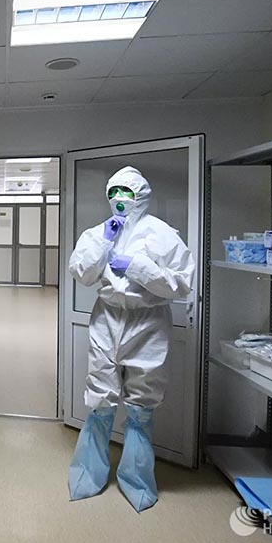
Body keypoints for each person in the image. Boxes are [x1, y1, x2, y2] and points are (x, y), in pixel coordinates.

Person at [67, 166, 195, 511]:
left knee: (142, 403)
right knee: (100, 396)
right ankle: (87, 475)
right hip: (106, 318)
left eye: (126, 192)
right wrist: (104, 243)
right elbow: (81, 273)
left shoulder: (162, 234)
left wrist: (138, 266)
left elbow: (182, 283)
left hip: (147, 323)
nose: (119, 199)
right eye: (114, 192)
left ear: (141, 196)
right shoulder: (97, 233)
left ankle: (137, 481)